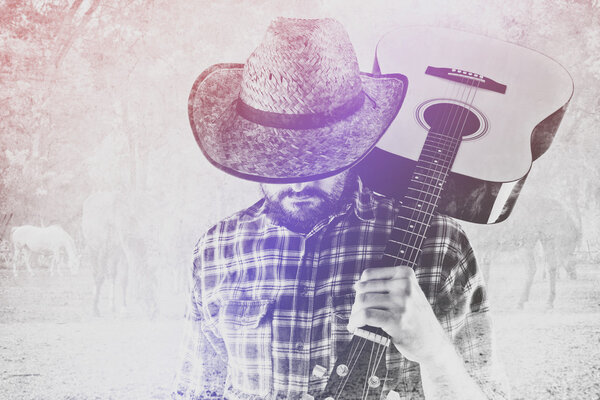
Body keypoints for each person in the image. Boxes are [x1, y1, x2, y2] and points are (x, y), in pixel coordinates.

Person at [173, 17, 508, 400]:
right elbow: (196, 392)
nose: (298, 181)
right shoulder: (215, 251)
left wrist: (433, 351)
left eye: (319, 157)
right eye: (276, 160)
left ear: (356, 143)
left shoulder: (439, 243)